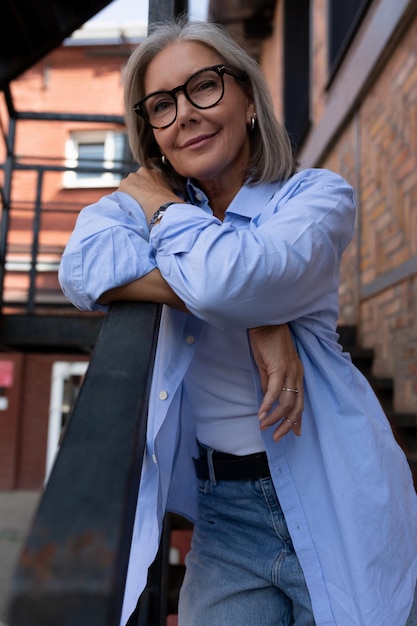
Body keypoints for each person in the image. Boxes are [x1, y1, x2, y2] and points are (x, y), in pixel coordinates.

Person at [58, 18, 417, 626]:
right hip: (224, 517)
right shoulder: (136, 205)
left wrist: (173, 220)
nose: (184, 115)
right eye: (161, 105)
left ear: (248, 96)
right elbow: (80, 269)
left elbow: (232, 282)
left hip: (338, 493)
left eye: (204, 87)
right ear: (150, 129)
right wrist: (255, 313)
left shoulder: (316, 197)